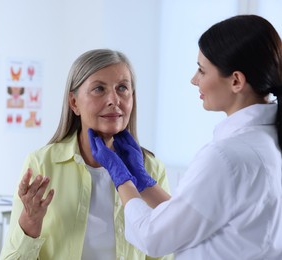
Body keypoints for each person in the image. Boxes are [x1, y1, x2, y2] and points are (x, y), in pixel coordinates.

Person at [89, 14, 282, 259]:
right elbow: (190, 220)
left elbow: (154, 238)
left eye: (202, 70)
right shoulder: (268, 142)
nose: (194, 79)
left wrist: (122, 179)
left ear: (236, 81)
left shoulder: (226, 157)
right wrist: (143, 183)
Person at [0, 49, 173, 260]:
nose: (114, 100)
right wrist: (29, 225)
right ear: (74, 103)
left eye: (122, 88)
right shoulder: (42, 164)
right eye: (99, 89)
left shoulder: (151, 168)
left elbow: (167, 251)